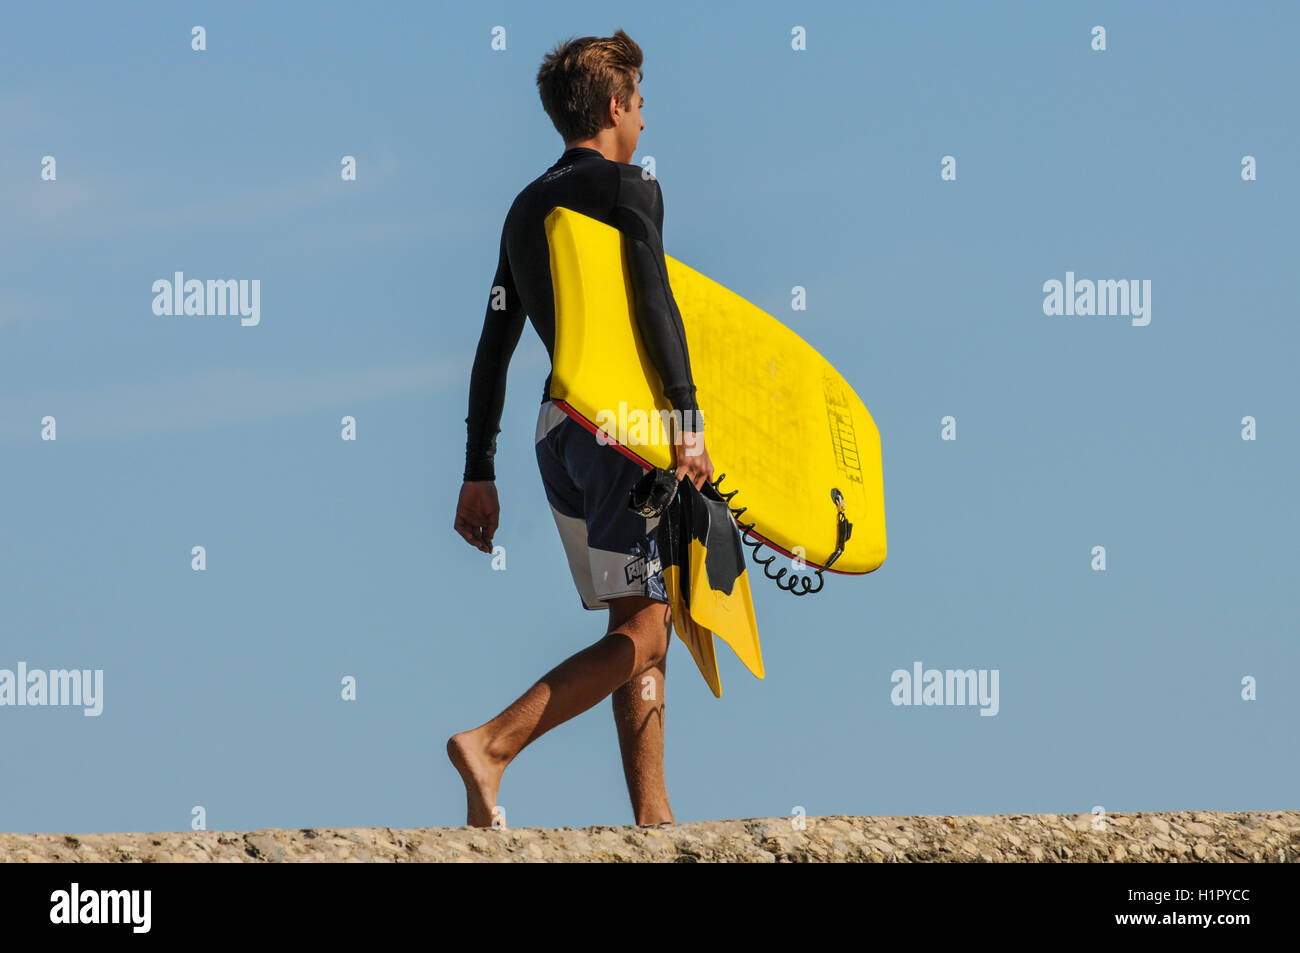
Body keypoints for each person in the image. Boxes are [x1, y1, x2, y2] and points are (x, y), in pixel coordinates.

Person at [448, 29, 713, 828]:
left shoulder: (525, 208)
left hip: (555, 432)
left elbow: (493, 344)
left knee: (637, 620)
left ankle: (654, 817)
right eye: (639, 106)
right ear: (613, 107)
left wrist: (476, 467)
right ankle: (493, 742)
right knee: (648, 625)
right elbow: (655, 305)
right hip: (621, 430)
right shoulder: (632, 188)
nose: (644, 123)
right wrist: (687, 421)